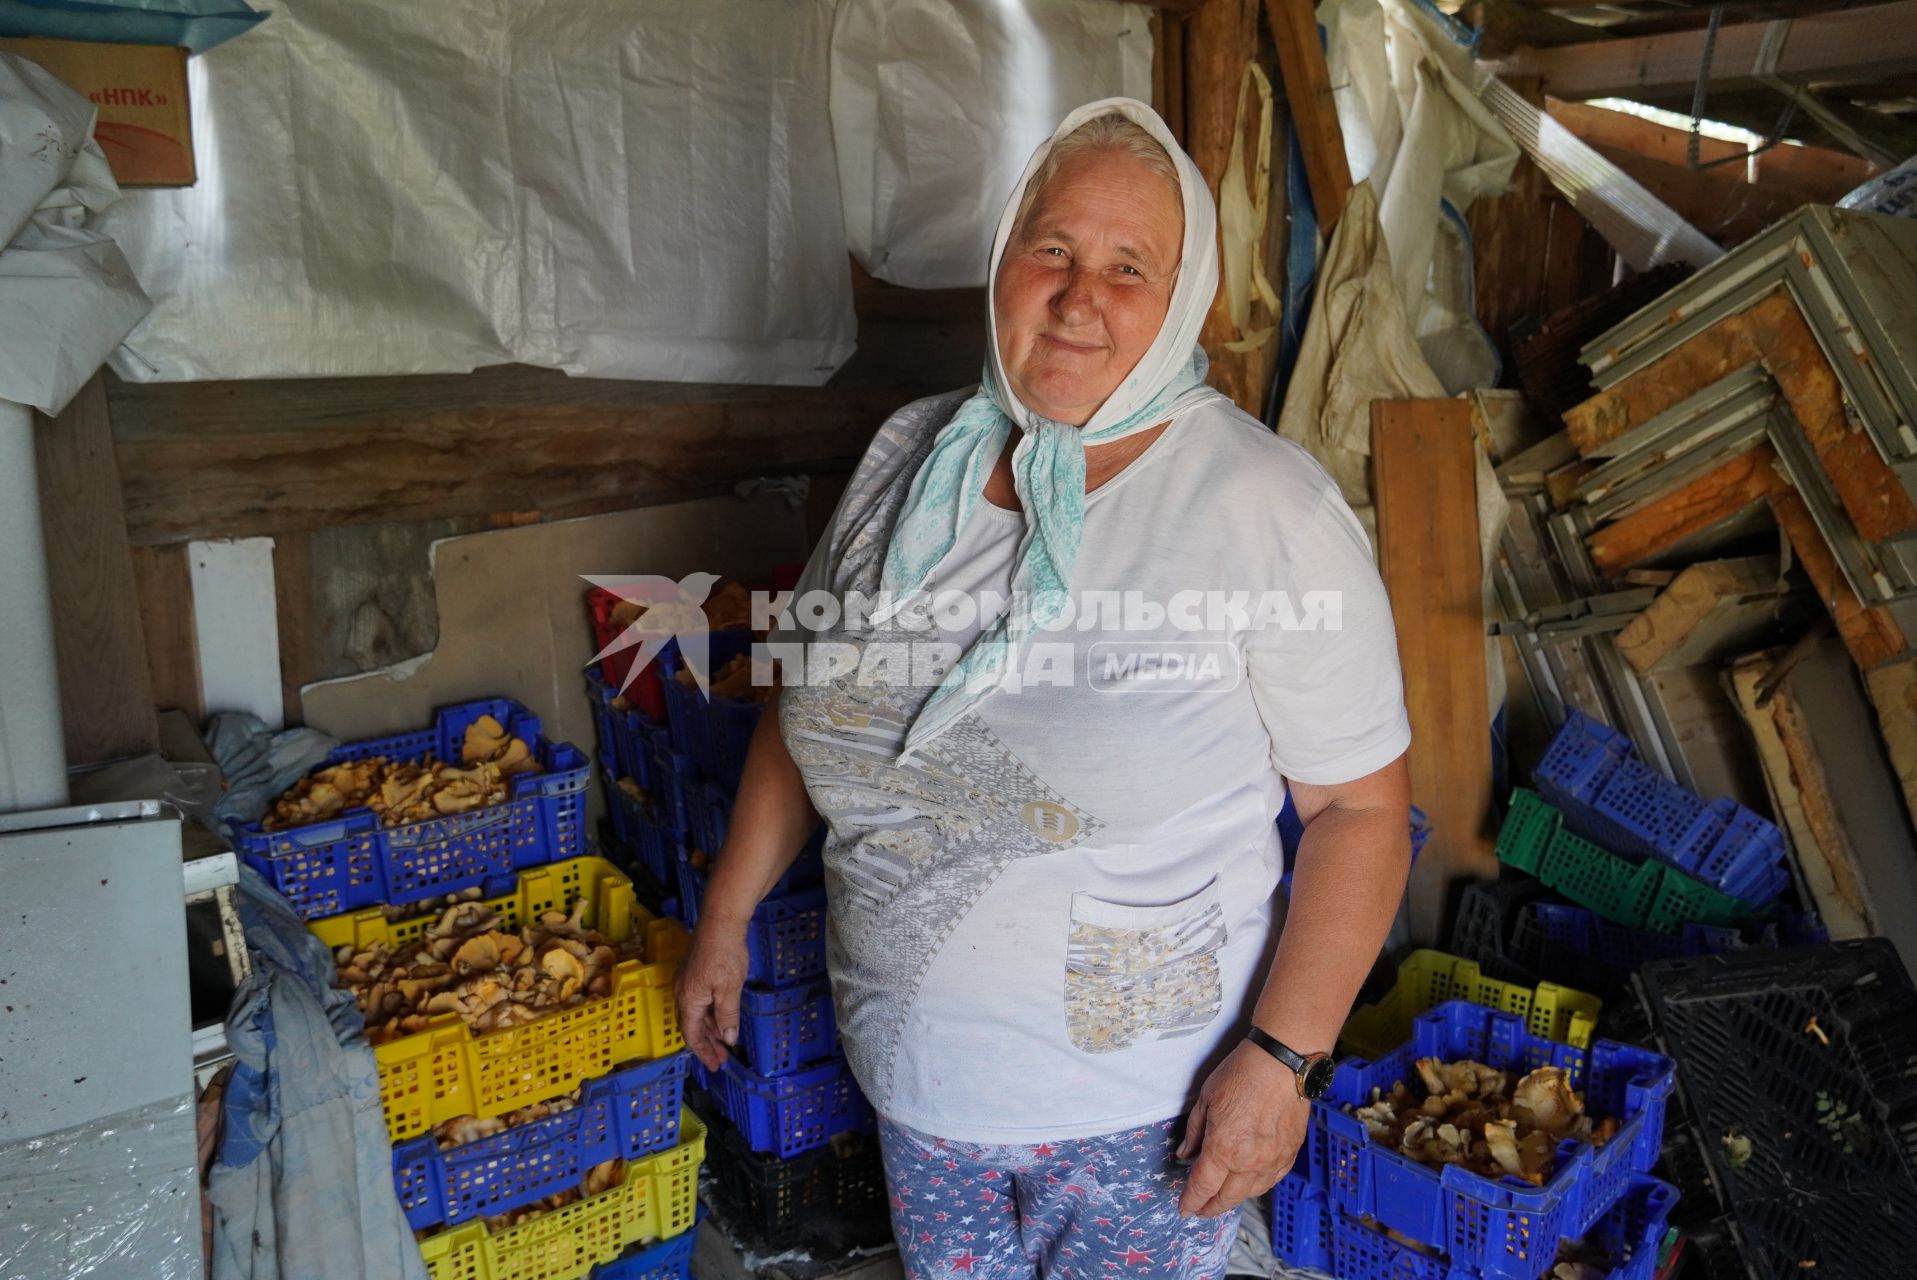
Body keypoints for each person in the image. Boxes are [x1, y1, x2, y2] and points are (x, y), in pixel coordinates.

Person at [676, 97, 1412, 1280]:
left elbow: (1362, 814)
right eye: (1054, 248)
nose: (1080, 296)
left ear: (1182, 302)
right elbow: (811, 703)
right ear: (1007, 259)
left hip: (1144, 1113)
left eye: (1131, 266)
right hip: (920, 1096)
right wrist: (726, 914)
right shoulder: (907, 460)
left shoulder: (1263, 507)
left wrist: (1282, 1058)